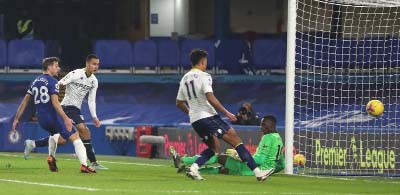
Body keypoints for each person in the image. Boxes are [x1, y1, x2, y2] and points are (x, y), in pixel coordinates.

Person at [175, 49, 273, 181]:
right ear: (203, 62)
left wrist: (192, 113)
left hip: (195, 120)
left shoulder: (184, 79)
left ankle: (193, 168)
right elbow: (210, 97)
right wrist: (226, 112)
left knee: (214, 147)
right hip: (208, 116)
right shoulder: (205, 76)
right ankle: (258, 173)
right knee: (236, 141)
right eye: (206, 62)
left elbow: (179, 103)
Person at [12, 57, 95, 173]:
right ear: (49, 67)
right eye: (56, 66)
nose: (58, 68)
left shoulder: (35, 81)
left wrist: (16, 119)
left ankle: (50, 157)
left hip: (41, 119)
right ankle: (84, 165)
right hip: (52, 116)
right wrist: (66, 118)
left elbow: (25, 101)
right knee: (76, 137)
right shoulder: (53, 81)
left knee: (56, 136)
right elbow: (55, 103)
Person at [170, 115, 284, 176]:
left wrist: (239, 156)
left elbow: (260, 159)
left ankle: (183, 160)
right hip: (251, 172)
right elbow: (281, 164)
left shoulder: (268, 137)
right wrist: (271, 171)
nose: (261, 127)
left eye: (263, 125)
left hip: (252, 169)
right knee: (222, 170)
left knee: (219, 157)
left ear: (270, 126)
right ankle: (187, 170)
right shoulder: (279, 139)